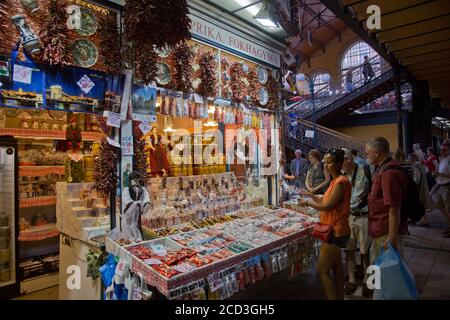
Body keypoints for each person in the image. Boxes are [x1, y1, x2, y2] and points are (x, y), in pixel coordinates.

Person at [299, 149, 351, 300]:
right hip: (335, 229)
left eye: (329, 162)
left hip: (335, 230)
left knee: (322, 270)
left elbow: (328, 206)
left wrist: (308, 202)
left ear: (338, 163)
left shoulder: (340, 182)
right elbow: (326, 201)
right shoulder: (335, 181)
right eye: (325, 162)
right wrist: (312, 196)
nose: (326, 165)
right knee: (336, 268)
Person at [366, 137, 409, 264]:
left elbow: (394, 207)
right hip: (381, 227)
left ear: (377, 153)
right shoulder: (383, 168)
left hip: (385, 229)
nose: (366, 156)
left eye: (368, 153)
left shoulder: (389, 174)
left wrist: (391, 237)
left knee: (386, 269)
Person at [341, 148, 372, 297]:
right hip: (348, 217)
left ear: (349, 159)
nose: (342, 163)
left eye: (344, 159)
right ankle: (352, 280)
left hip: (364, 215)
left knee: (366, 251)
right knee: (349, 250)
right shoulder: (341, 176)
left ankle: (368, 281)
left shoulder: (366, 169)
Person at [121, 172, 150, 242]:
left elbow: (145, 198)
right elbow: (126, 200)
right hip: (130, 210)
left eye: (137, 180)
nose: (136, 181)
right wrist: (134, 203)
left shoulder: (142, 189)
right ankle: (130, 238)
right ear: (131, 180)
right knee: (128, 223)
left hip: (137, 209)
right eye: (135, 180)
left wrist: (146, 204)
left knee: (136, 223)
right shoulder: (127, 189)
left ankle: (137, 237)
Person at [429, 143, 450, 237]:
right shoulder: (442, 159)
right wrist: (436, 174)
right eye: (441, 150)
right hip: (441, 186)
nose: (442, 152)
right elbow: (441, 173)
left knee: (448, 209)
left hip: (447, 187)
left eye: (445, 150)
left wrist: (439, 174)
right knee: (441, 207)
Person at [408, 153, 431, 226]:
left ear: (413, 159)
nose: (409, 160)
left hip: (419, 188)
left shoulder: (415, 166)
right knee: (421, 204)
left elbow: (416, 179)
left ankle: (423, 220)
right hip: (424, 186)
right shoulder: (422, 165)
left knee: (418, 204)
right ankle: (420, 219)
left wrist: (412, 186)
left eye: (410, 159)